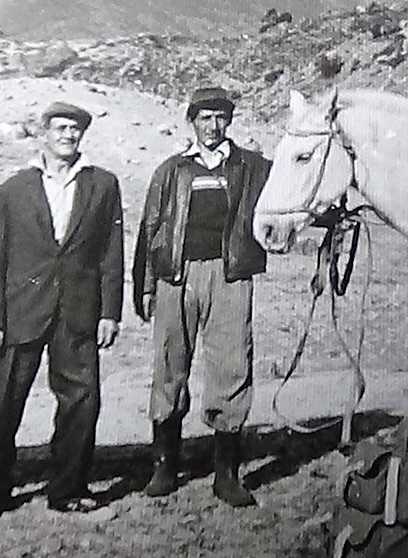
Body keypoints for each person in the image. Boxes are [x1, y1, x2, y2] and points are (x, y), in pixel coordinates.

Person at [0, 101, 123, 522]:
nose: (67, 135)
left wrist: (110, 311)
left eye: (75, 129)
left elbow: (112, 254)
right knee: (4, 403)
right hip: (20, 312)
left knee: (82, 401)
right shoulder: (13, 189)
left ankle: (69, 490)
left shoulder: (103, 185)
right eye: (60, 127)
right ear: (44, 132)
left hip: (77, 312)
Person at [132, 85, 271, 506]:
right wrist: (146, 285)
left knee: (232, 367)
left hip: (229, 278)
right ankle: (164, 467)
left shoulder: (251, 167)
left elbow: (291, 197)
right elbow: (150, 227)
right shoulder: (172, 170)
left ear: (229, 122)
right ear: (191, 121)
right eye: (204, 117)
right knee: (170, 365)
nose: (212, 126)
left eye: (220, 118)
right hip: (177, 277)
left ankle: (226, 475)